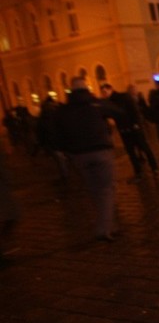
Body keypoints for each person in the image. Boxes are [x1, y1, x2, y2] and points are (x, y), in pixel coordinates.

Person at [54, 77, 124, 242]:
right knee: (107, 189)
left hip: (79, 155)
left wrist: (67, 151)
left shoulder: (63, 110)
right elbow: (119, 112)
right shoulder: (96, 104)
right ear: (86, 88)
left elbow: (57, 133)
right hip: (101, 150)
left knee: (94, 191)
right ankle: (104, 228)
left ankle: (109, 224)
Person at [100, 83, 159, 182]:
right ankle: (139, 172)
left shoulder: (123, 97)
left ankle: (154, 168)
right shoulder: (108, 102)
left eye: (105, 91)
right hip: (124, 130)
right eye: (102, 92)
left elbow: (134, 110)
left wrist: (136, 123)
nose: (104, 94)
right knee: (131, 152)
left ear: (110, 89)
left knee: (144, 148)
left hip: (133, 128)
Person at [35, 95, 70, 183]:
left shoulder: (43, 115)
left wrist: (42, 143)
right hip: (62, 138)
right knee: (67, 156)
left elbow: (40, 130)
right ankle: (74, 173)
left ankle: (65, 175)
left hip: (52, 140)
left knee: (60, 159)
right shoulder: (58, 111)